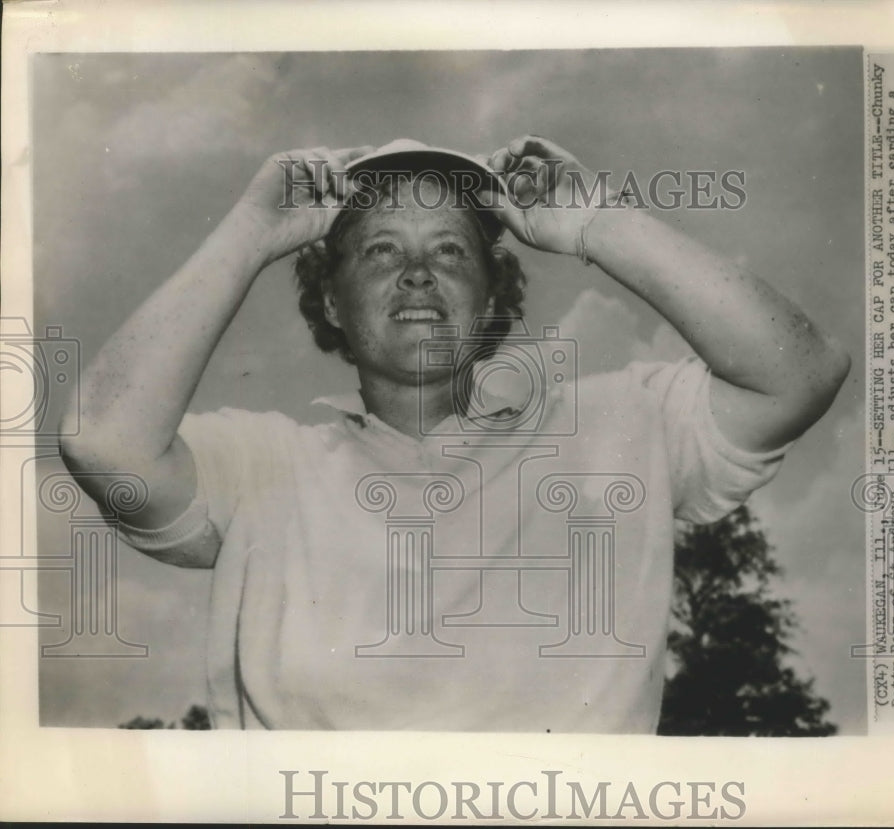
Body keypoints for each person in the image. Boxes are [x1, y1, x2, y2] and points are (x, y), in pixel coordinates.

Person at [59, 136, 850, 732]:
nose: (416, 273)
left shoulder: (623, 423)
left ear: (491, 293)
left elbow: (802, 371)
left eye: (449, 249)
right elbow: (104, 442)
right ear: (331, 302)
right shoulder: (266, 464)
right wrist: (251, 229)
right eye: (378, 250)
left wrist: (595, 221)